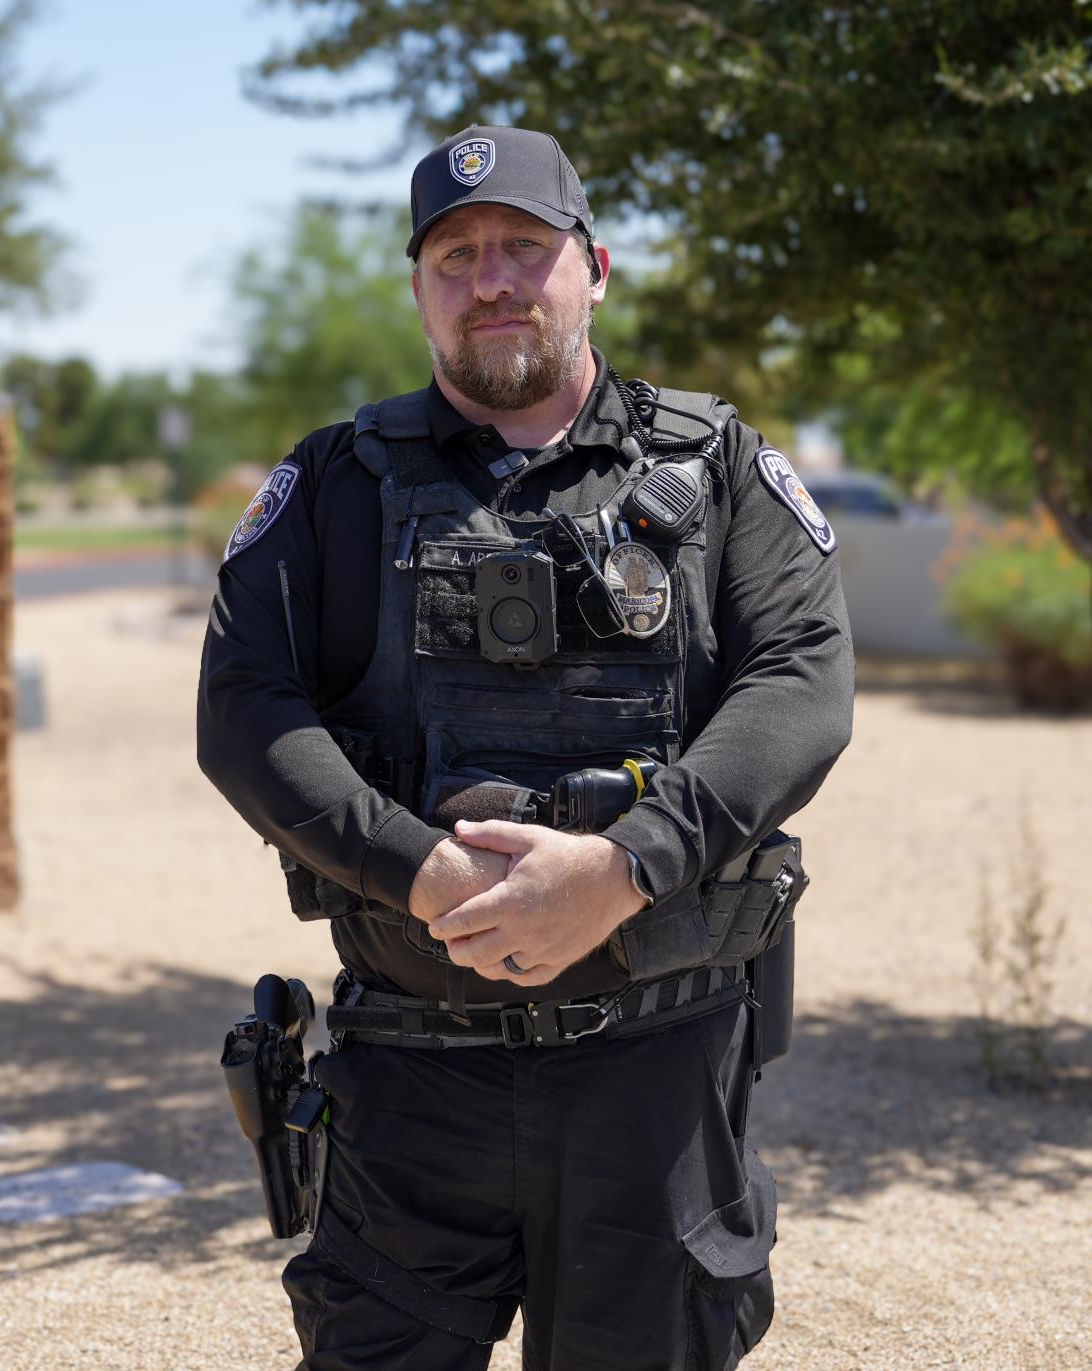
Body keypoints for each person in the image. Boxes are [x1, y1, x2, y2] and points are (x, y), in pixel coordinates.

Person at [197, 125, 854, 1370]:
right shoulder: (334, 483)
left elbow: (804, 685)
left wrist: (625, 869)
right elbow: (244, 710)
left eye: (523, 248)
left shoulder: (715, 471)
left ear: (594, 267)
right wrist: (422, 874)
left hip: (656, 1070)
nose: (490, 279)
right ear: (418, 291)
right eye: (455, 257)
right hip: (409, 1072)